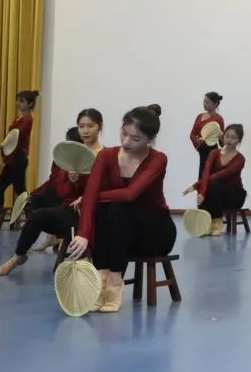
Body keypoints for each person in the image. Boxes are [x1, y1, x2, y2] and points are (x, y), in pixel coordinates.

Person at [65, 105, 176, 313]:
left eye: (135, 139)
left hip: (154, 231)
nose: (126, 142)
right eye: (124, 133)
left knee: (118, 206)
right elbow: (92, 192)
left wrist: (90, 197)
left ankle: (115, 282)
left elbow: (130, 194)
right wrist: (83, 234)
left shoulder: (158, 159)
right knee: (103, 208)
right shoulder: (106, 155)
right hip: (121, 234)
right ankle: (101, 279)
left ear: (149, 139)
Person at [0, 124, 90, 276]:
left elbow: (70, 192)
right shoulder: (59, 160)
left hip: (76, 208)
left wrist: (76, 181)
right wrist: (32, 194)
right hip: (61, 202)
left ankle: (59, 242)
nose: (86, 130)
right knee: (36, 207)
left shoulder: (90, 162)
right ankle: (19, 256)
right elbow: (52, 182)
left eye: (90, 126)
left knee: (51, 203)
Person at [0, 90, 39, 231]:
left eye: (22, 101)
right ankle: (32, 218)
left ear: (30, 103)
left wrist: (5, 155)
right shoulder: (18, 119)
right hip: (14, 159)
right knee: (16, 189)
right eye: (18, 100)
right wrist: (5, 157)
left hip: (18, 159)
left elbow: (15, 141)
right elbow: (10, 141)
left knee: (5, 188)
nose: (18, 103)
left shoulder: (27, 119)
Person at [183, 124, 246, 236]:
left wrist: (196, 185)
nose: (229, 140)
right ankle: (207, 223)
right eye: (227, 136)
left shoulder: (240, 159)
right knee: (211, 186)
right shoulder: (214, 153)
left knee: (211, 184)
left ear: (239, 140)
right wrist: (201, 189)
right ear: (223, 136)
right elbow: (206, 172)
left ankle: (217, 222)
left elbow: (221, 175)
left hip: (234, 194)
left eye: (233, 138)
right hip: (215, 192)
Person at [189, 91, 225, 177]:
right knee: (202, 175)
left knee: (207, 175)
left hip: (211, 150)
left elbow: (222, 143)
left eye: (208, 102)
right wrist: (198, 145)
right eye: (204, 101)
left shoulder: (218, 119)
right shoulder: (199, 116)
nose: (204, 104)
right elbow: (192, 134)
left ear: (215, 104)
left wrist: (221, 137)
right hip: (202, 149)